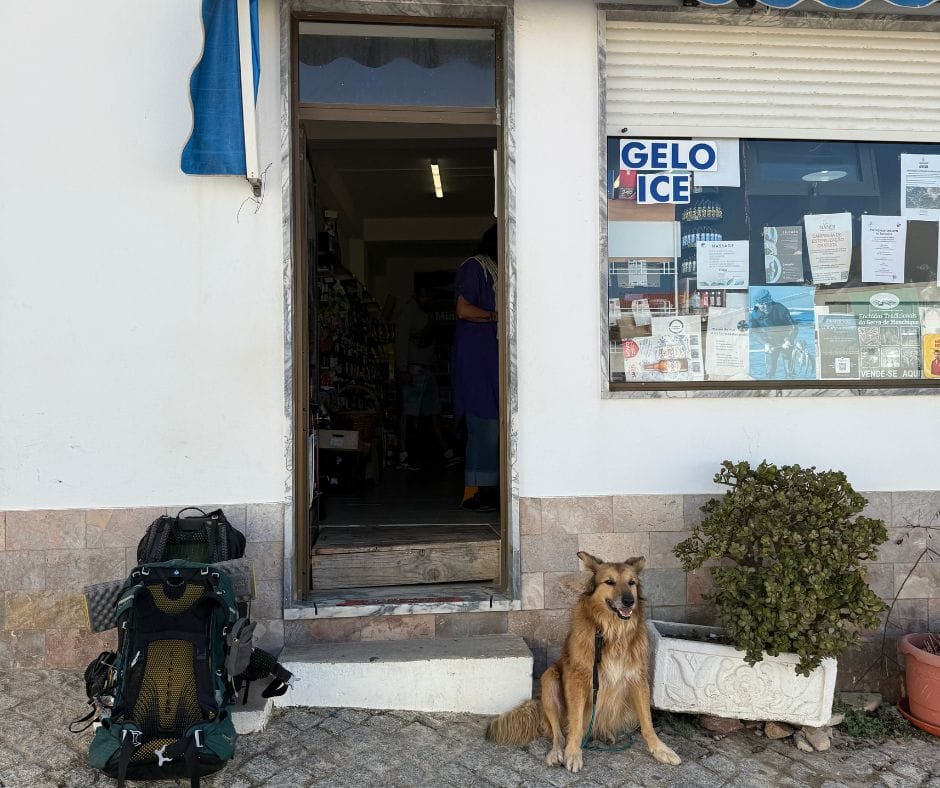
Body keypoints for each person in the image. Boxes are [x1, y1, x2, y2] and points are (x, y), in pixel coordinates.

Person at [453, 225, 499, 512]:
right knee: (484, 424)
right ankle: (476, 492)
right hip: (477, 358)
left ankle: (489, 489)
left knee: (493, 425)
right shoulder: (476, 267)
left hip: (491, 358)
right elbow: (463, 309)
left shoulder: (495, 270)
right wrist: (496, 316)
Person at [395, 282, 458, 471]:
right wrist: (402, 369)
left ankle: (447, 453)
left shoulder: (427, 314)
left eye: (428, 297)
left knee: (433, 412)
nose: (426, 300)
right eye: (423, 296)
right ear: (416, 296)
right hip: (413, 370)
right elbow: (401, 340)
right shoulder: (409, 312)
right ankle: (403, 455)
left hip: (426, 370)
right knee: (408, 413)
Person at [749, 288, 797, 379]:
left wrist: (789, 339)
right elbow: (753, 332)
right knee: (770, 373)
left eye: (768, 303)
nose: (766, 306)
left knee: (790, 372)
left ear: (771, 300)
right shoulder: (755, 313)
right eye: (762, 304)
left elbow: (794, 327)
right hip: (770, 343)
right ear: (757, 304)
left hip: (786, 341)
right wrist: (765, 343)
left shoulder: (781, 308)